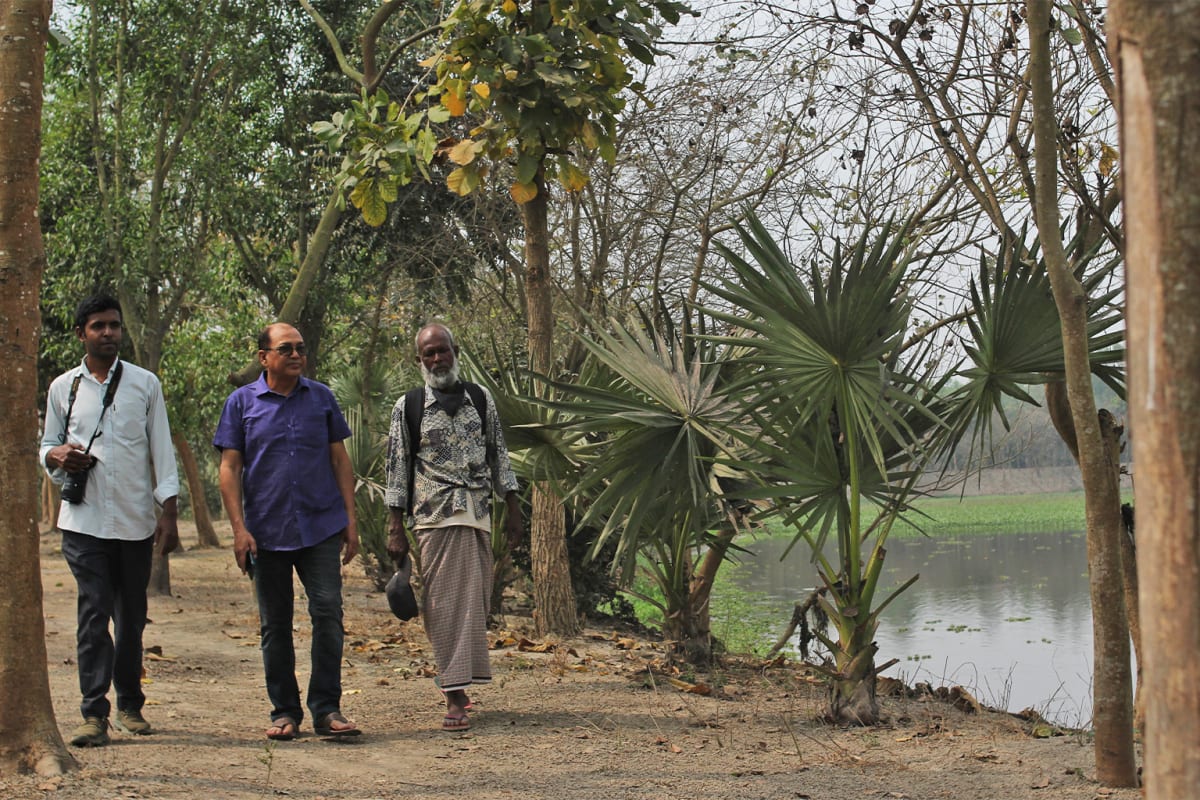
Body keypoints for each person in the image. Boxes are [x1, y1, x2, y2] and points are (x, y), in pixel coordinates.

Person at [40, 294, 181, 748]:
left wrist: (169, 510)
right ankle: (92, 714)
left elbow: (161, 447)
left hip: (136, 521)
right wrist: (57, 455)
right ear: (82, 333)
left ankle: (130, 705)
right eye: (98, 326)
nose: (108, 333)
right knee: (93, 612)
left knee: (132, 617)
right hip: (84, 520)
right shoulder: (65, 388)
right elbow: (47, 447)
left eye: (114, 326)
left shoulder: (145, 384)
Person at [214, 323, 361, 741]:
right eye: (286, 348)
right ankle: (284, 712)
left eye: (301, 348)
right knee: (274, 625)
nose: (296, 354)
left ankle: (327, 709)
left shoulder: (322, 399)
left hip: (321, 526)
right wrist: (239, 530)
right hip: (266, 530)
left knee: (328, 613)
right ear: (264, 357)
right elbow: (229, 468)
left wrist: (350, 519)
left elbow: (339, 461)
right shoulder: (241, 404)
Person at [385, 322, 521, 732]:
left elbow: (499, 454)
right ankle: (454, 692)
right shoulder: (407, 407)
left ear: (454, 351)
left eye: (442, 350)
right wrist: (394, 525)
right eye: (429, 353)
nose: (437, 359)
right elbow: (397, 468)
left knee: (474, 603)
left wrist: (513, 507)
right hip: (434, 517)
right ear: (419, 360)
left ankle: (458, 678)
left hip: (478, 514)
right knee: (443, 605)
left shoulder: (480, 400)